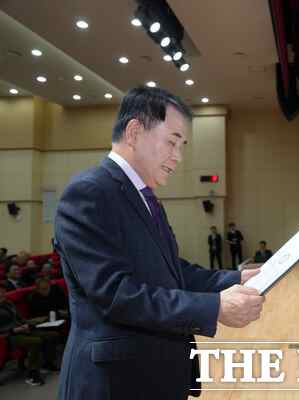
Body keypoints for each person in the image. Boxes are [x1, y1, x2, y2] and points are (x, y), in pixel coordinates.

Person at [53, 87, 265, 400]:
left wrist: (235, 278)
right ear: (135, 132)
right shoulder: (89, 192)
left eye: (182, 145)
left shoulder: (145, 197)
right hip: (115, 384)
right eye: (171, 141)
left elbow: (170, 270)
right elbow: (116, 294)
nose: (178, 157)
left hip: (153, 375)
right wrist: (214, 307)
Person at [0, 282, 62, 386]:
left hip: (22, 330)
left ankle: (47, 363)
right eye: (0, 292)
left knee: (52, 335)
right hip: (8, 336)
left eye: (3, 292)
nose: (2, 294)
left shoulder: (8, 303)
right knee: (35, 342)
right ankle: (32, 374)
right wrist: (16, 330)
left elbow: (20, 319)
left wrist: (27, 324)